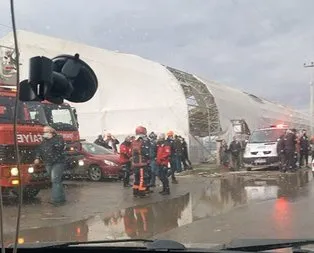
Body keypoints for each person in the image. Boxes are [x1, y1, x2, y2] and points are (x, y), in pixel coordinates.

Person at [34, 126, 66, 206]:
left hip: (58, 162)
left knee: (55, 179)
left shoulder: (58, 138)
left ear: (51, 132)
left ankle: (56, 200)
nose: (45, 133)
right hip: (48, 162)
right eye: (44, 132)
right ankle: (61, 197)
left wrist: (51, 139)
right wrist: (37, 158)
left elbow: (60, 147)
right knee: (56, 180)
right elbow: (39, 150)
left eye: (46, 131)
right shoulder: (43, 141)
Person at [131, 126, 151, 197]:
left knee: (136, 178)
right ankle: (141, 192)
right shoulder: (143, 141)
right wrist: (149, 158)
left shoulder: (133, 141)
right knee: (142, 178)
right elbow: (146, 152)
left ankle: (135, 192)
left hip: (135, 163)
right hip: (142, 163)